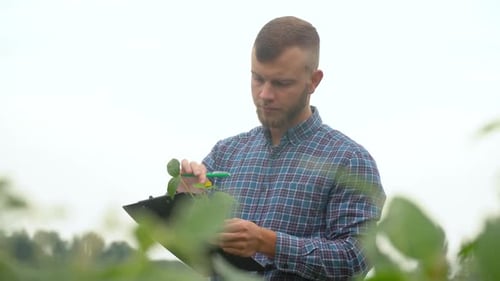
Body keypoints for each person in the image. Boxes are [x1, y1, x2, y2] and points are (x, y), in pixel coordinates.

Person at [179, 16, 386, 281]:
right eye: (257, 79)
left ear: (314, 81)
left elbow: (356, 257)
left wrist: (268, 243)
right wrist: (188, 199)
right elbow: (195, 245)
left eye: (281, 83)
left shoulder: (349, 160)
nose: (265, 94)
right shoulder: (226, 153)